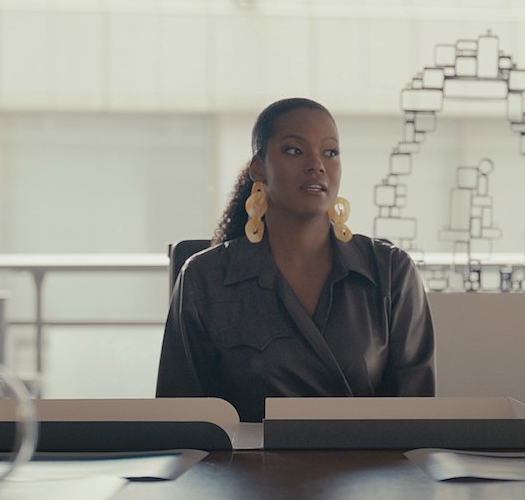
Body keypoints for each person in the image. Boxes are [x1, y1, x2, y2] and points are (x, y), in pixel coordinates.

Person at [156, 97, 436, 421]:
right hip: (244, 468)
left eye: (330, 152)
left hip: (366, 467)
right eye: (294, 150)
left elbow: (416, 418)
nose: (317, 165)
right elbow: (181, 420)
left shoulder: (390, 271)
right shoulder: (204, 278)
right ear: (258, 168)